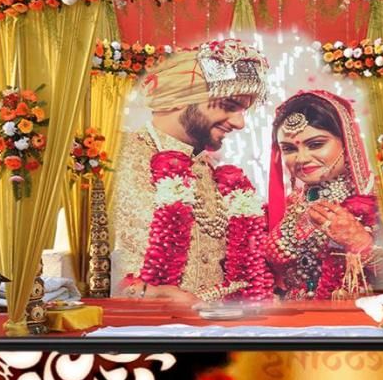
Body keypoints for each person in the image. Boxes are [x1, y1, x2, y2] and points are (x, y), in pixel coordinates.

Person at [109, 39, 270, 304]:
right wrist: (147, 294)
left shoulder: (215, 174)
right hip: (137, 326)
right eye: (229, 106)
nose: (240, 123)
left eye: (243, 111)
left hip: (221, 323)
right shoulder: (113, 156)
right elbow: (71, 260)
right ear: (179, 99)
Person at [266, 90, 383, 300]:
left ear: (346, 141)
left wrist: (362, 243)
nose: (301, 158)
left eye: (316, 144)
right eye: (289, 149)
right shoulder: (289, 205)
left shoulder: (379, 200)